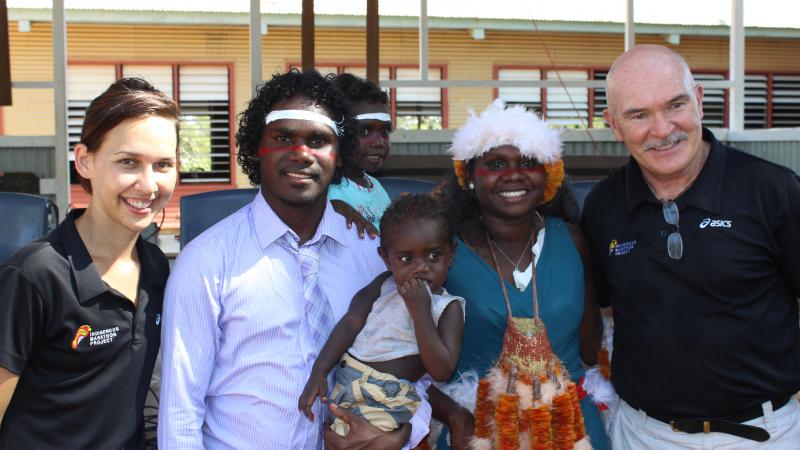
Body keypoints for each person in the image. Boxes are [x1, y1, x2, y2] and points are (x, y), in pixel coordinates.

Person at [158, 69, 431, 450]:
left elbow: (416, 365)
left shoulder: (371, 256)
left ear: (339, 155)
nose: (301, 153)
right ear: (256, 147)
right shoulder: (205, 262)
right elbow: (180, 413)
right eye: (283, 137)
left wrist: (403, 432)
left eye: (318, 140)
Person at [581, 44, 800, 448]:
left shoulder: (772, 190)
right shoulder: (602, 206)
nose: (663, 130)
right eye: (639, 115)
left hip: (766, 435)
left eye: (675, 105)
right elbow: (608, 308)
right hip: (642, 435)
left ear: (698, 101)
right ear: (614, 125)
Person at [0, 78, 179, 449]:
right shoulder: (36, 275)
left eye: (163, 164)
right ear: (85, 161)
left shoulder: (157, 267)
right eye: (128, 162)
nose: (148, 185)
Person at [432, 99, 609, 449]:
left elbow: (591, 350)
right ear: (468, 176)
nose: (513, 174)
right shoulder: (443, 252)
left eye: (528, 162)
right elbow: (404, 356)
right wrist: (452, 414)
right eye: (495, 164)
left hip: (571, 427)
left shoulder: (573, 240)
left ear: (548, 175)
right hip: (479, 430)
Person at [299, 194, 465, 436]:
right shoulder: (382, 285)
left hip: (389, 398)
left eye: (434, 255)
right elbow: (350, 323)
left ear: (451, 253)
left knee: (364, 440)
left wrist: (421, 312)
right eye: (406, 259)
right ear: (386, 258)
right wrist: (320, 371)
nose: (421, 267)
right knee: (337, 437)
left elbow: (442, 369)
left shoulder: (448, 308)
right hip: (346, 384)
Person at [328, 73, 393, 236]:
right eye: (364, 131)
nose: (379, 142)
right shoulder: (328, 192)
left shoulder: (376, 187)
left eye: (384, 132)